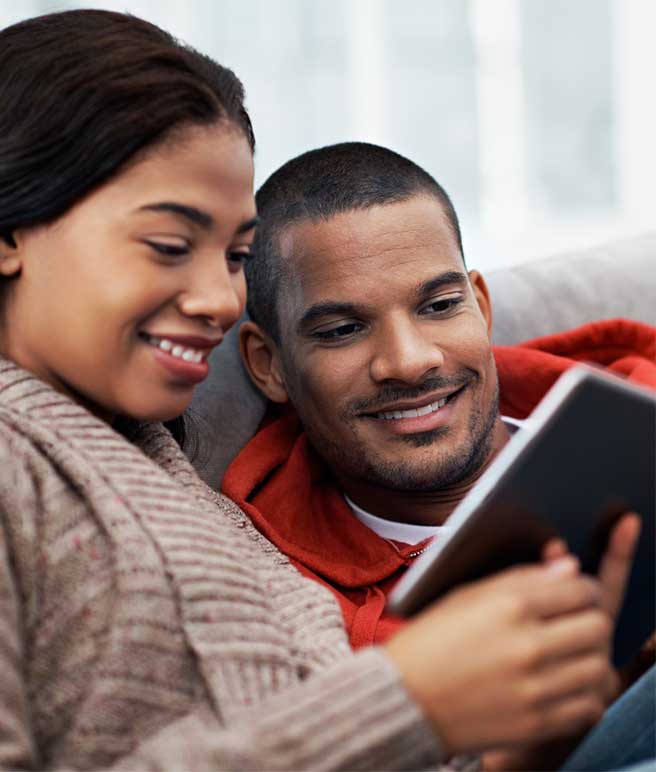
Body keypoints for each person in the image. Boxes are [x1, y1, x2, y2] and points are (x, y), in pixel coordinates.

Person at [0, 12, 645, 771]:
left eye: (235, 254)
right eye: (171, 245)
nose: (216, 296)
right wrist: (409, 700)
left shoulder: (162, 466)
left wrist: (539, 727)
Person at [221, 142, 656, 769]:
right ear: (269, 365)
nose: (409, 361)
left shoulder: (633, 405)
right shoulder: (282, 615)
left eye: (438, 305)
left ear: (480, 305)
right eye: (343, 330)